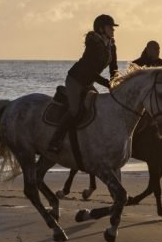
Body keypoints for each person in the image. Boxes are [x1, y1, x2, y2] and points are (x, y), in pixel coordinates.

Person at [46, 14, 120, 154]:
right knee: (75, 111)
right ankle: (55, 140)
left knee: (96, 110)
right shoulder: (93, 44)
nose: (113, 30)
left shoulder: (112, 46)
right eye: (110, 27)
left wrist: (116, 82)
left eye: (113, 28)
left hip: (88, 81)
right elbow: (90, 71)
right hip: (76, 80)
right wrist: (107, 84)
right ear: (101, 29)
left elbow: (114, 68)